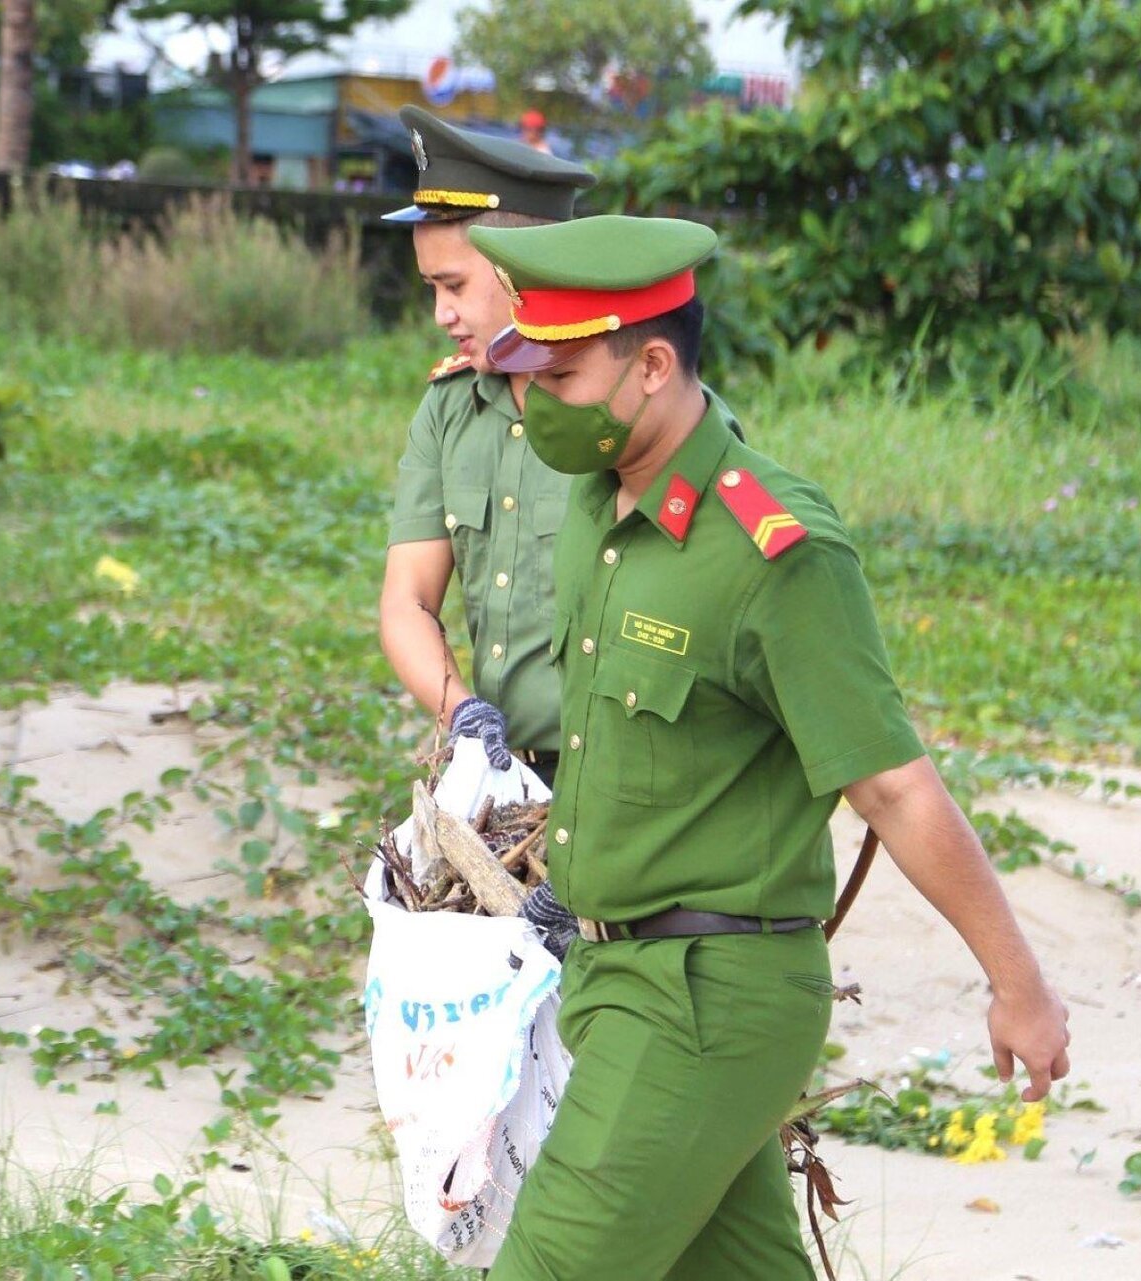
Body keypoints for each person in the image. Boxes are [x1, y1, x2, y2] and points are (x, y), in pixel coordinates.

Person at [464, 213, 1074, 1281]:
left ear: (650, 366)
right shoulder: (596, 508)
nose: (532, 404)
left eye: (556, 380)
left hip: (707, 1001)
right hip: (611, 978)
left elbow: (893, 787)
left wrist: (1017, 983)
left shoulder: (776, 553)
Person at [379, 105, 594, 797]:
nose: (441, 315)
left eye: (455, 287)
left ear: (525, 269)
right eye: (433, 289)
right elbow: (407, 599)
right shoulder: (449, 410)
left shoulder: (626, 410)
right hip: (502, 771)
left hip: (618, 778)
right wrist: (463, 713)